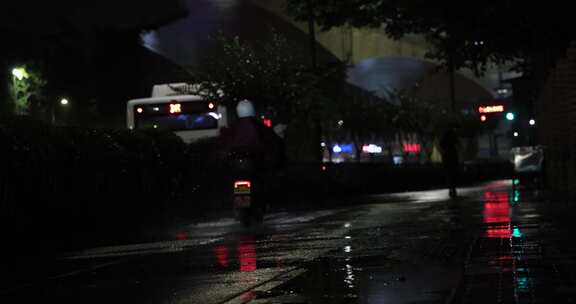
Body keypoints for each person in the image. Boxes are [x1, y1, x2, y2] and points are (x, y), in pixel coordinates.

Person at [440, 126, 459, 198]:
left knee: (449, 174)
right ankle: (453, 188)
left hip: (447, 158)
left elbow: (441, 146)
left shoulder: (444, 140)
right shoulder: (453, 138)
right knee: (453, 173)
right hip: (452, 158)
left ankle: (451, 188)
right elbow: (457, 145)